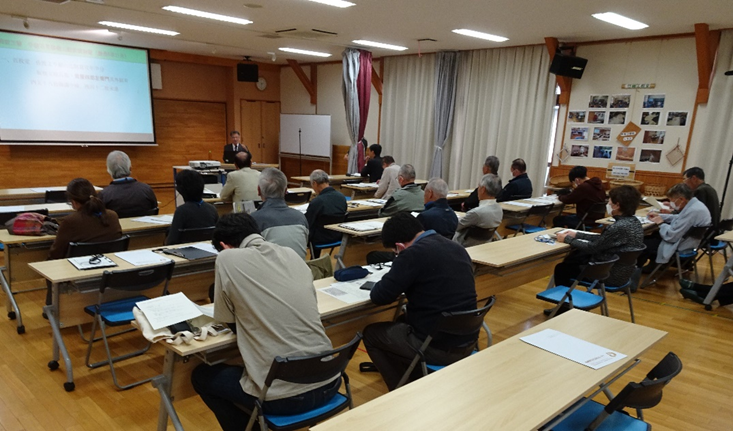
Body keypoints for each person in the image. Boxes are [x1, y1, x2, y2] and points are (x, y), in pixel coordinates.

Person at [192, 213, 338, 431]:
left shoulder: (227, 258)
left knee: (201, 376)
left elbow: (227, 320)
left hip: (286, 398)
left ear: (224, 246)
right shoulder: (291, 254)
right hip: (330, 381)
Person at [362, 213, 478, 391]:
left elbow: (380, 296)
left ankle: (401, 390)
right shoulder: (455, 246)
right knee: (401, 320)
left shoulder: (411, 254)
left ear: (399, 246)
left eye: (395, 252)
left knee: (372, 334)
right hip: (467, 340)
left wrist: (397, 264)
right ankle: (413, 372)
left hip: (439, 347)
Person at [47, 178, 122, 304]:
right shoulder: (112, 215)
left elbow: (56, 253)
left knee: (49, 264)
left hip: (77, 269)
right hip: (108, 267)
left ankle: (53, 305)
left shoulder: (70, 221)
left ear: (73, 202)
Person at [554, 185, 644, 287]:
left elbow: (592, 248)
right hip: (624, 273)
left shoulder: (618, 227)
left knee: (562, 268)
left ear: (617, 205)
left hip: (608, 274)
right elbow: (604, 239)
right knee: (574, 258)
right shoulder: (635, 222)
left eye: (609, 201)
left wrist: (567, 239)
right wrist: (577, 234)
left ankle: (565, 297)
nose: (608, 204)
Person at [637, 183, 711, 270]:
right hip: (686, 242)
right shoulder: (696, 205)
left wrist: (661, 223)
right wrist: (661, 216)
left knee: (640, 243)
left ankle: (636, 270)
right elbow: (679, 218)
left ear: (681, 199)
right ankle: (651, 266)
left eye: (672, 200)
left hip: (679, 246)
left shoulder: (693, 210)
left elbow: (671, 236)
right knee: (653, 235)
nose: (671, 203)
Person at [250, 168, 309, 259]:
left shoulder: (253, 220)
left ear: (259, 190)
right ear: (286, 191)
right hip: (300, 267)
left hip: (269, 267)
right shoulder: (301, 218)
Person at [98, 150, 157, 218]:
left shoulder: (104, 195)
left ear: (109, 171)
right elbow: (154, 210)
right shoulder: (146, 190)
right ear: (130, 168)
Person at [166, 170, 218, 245]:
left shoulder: (181, 211)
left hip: (184, 250)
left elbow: (171, 241)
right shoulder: (212, 209)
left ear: (180, 190)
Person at [305, 169, 347, 257]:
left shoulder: (317, 202)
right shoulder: (341, 197)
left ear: (315, 183)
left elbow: (308, 223)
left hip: (318, 239)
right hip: (338, 236)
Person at [453, 174, 503, 247]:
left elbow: (456, 226)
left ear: (483, 189)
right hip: (485, 245)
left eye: (478, 187)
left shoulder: (476, 213)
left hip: (464, 245)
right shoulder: (499, 209)